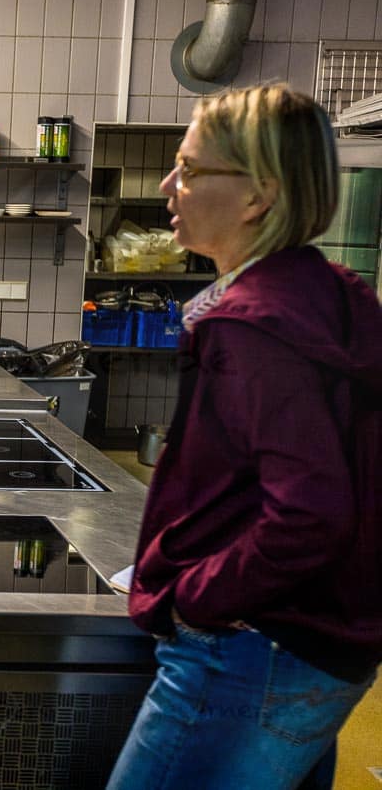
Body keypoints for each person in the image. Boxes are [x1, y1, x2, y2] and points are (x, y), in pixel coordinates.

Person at [107, 83, 382, 789]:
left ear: (259, 195)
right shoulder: (334, 293)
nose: (169, 185)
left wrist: (194, 597)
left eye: (190, 168)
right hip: (322, 644)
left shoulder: (256, 326)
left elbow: (310, 513)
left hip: (251, 650)